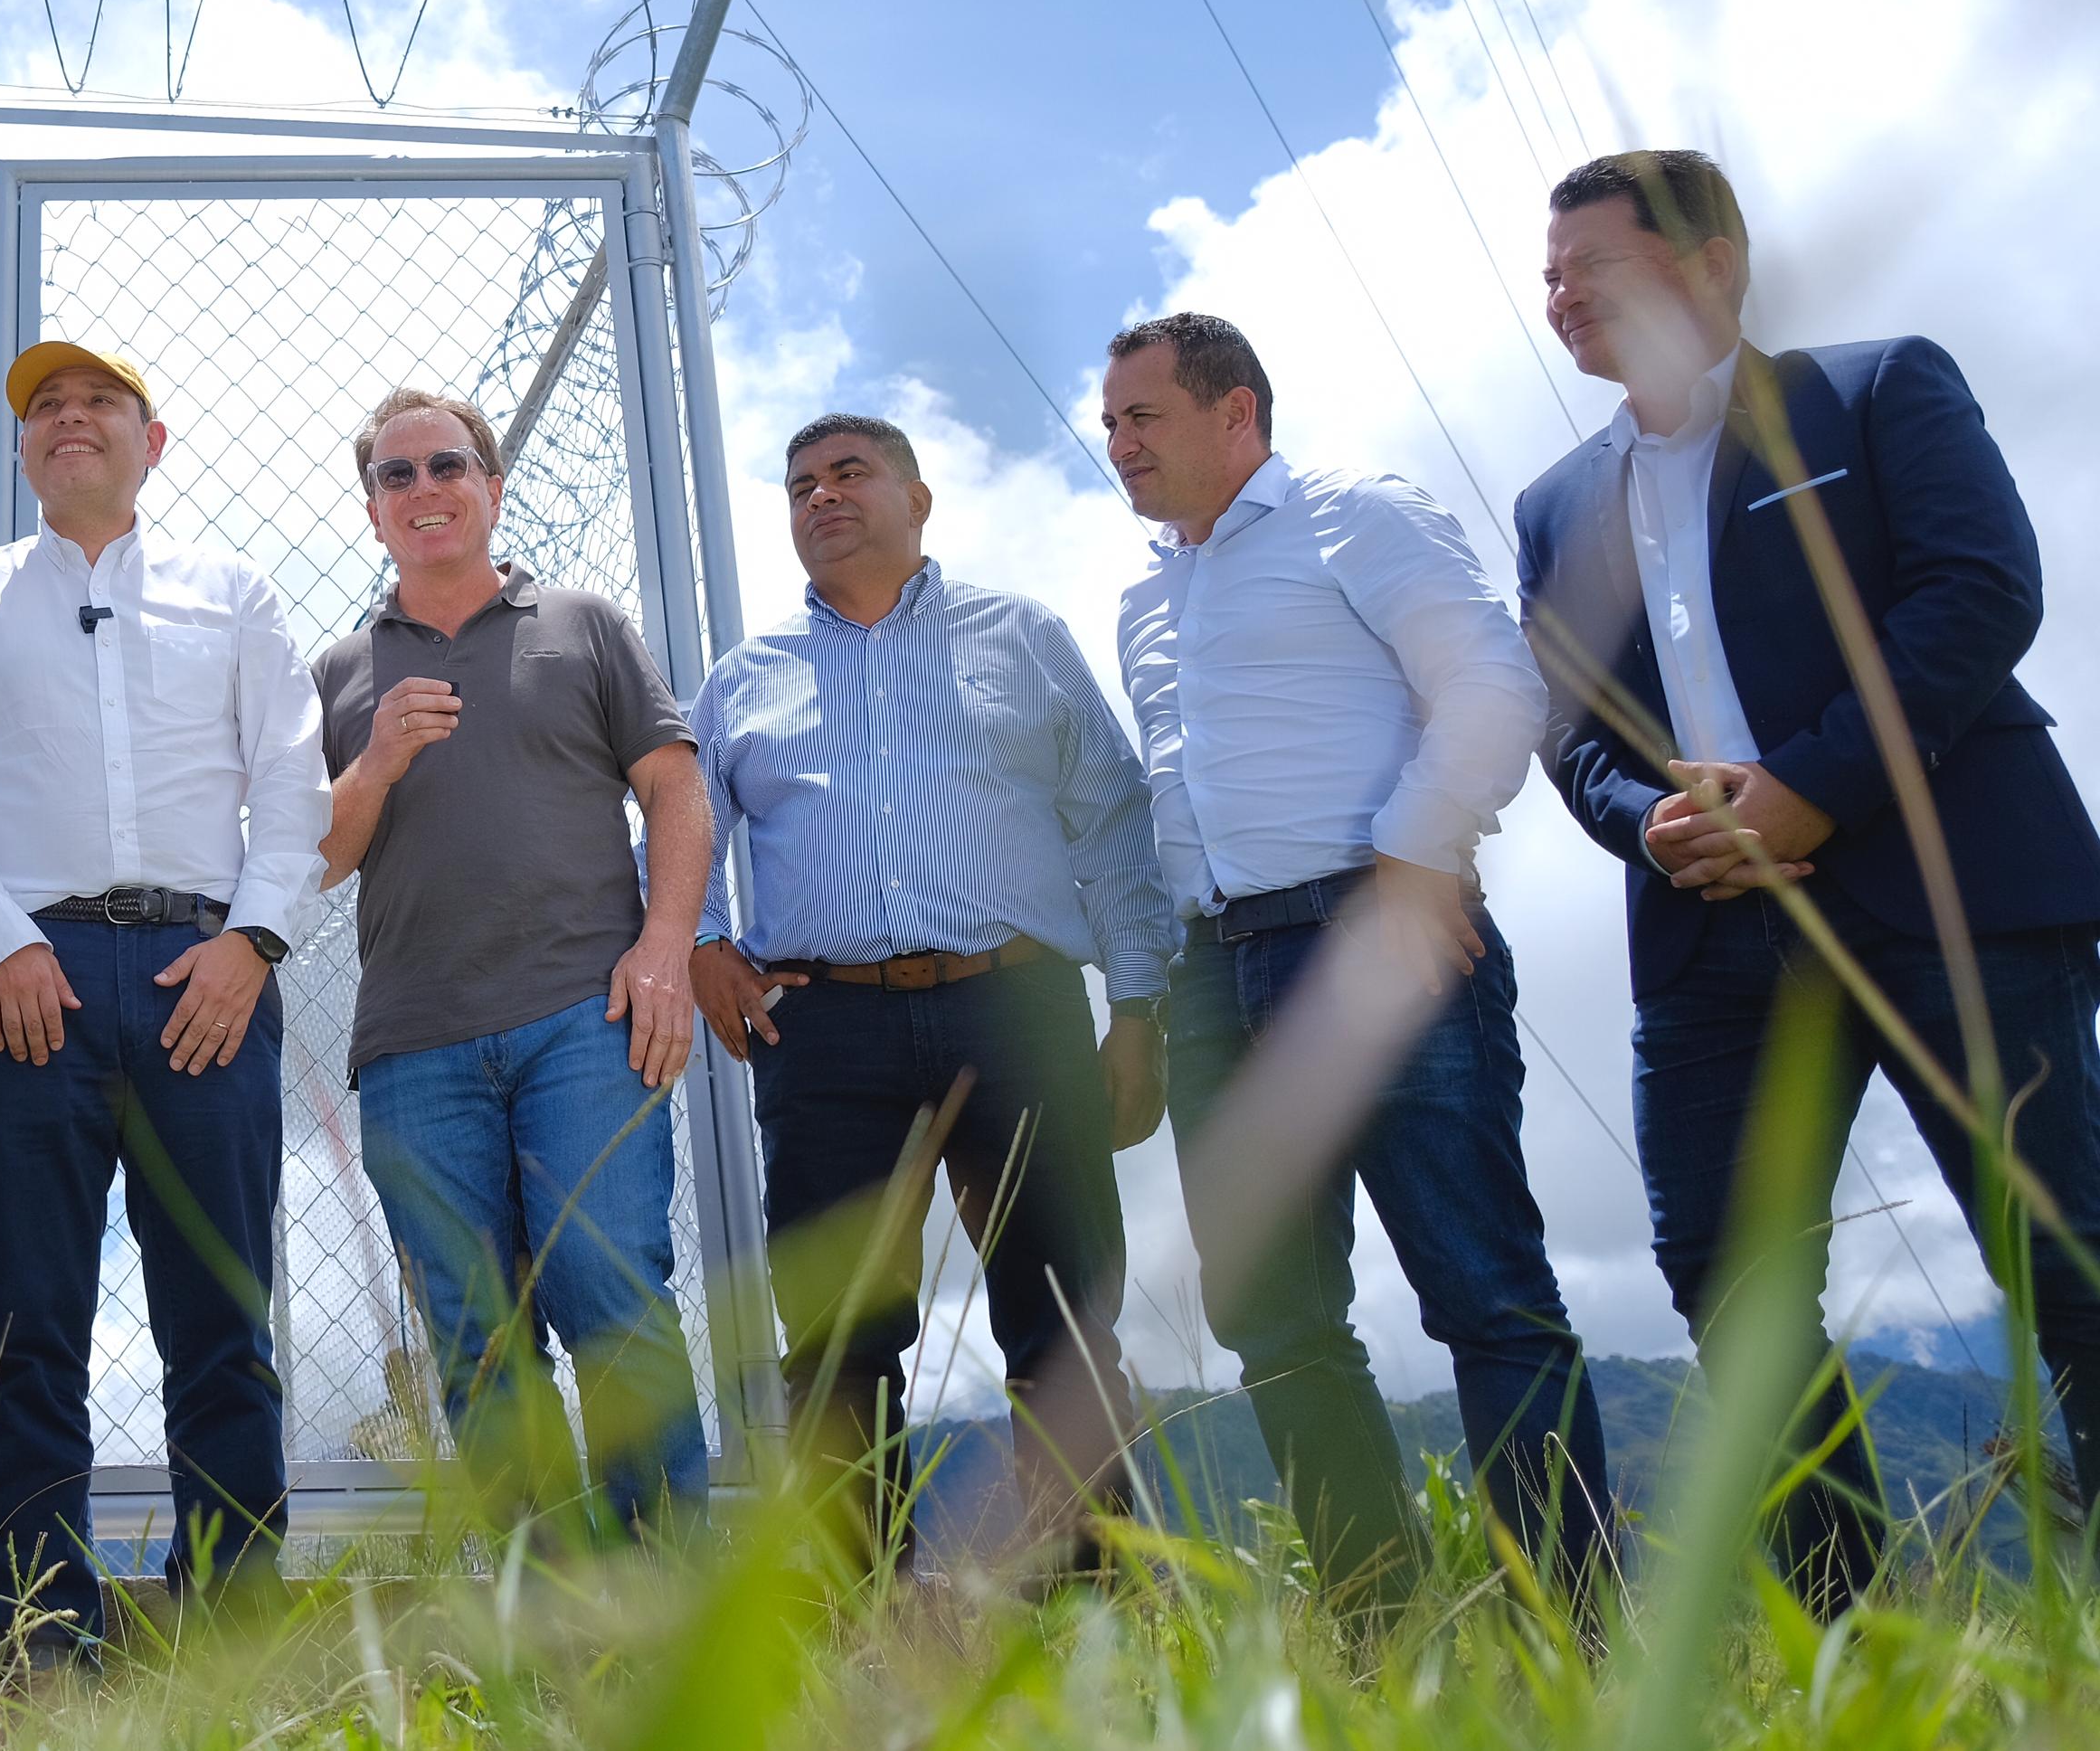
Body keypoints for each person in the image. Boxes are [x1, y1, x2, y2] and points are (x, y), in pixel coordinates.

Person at [1518, 149, 2100, 1612]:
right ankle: (1847, 1643)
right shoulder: (1554, 504)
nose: (1562, 295)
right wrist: (1650, 820)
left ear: (1714, 262)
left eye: (1595, 265)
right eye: (1551, 275)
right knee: (1728, 1282)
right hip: (1709, 929)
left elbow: (1981, 590)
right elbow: (1568, 732)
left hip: (1953, 890)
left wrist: (1808, 786)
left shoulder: (1878, 387)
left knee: (2061, 1251)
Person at [1104, 312, 1614, 1609]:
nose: (1119, 444)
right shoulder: (1143, 601)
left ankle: (1573, 1638)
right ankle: (1384, 1634)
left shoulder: (1356, 515)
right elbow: (1172, 806)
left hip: (1374, 933)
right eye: (1109, 423)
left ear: (1236, 411)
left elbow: (1495, 685)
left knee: (1482, 1289)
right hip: (1212, 971)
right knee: (1271, 1320)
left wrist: (1413, 853)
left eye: (1143, 416)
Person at [0, 342, 329, 1653]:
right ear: (25, 450)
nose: (67, 420)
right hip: (27, 980)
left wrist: (255, 941)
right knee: (28, 1320)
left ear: (154, 441)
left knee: (223, 1316)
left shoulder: (231, 594)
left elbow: (290, 776)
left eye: (98, 404)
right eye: (44, 409)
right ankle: (40, 1636)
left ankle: (233, 1634)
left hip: (207, 974)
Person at [683, 413, 1171, 1568]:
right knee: (835, 1336)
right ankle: (856, 1615)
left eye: (848, 473)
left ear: (917, 498)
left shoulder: (1022, 637)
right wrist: (702, 943)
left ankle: (1095, 1605)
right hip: (824, 1028)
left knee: (1061, 1320)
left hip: (1019, 1010)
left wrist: (1137, 1008)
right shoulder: (742, 679)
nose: (820, 496)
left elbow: (1110, 820)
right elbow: (681, 831)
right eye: (799, 485)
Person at [312, 389, 712, 1539]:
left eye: (446, 465)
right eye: (394, 476)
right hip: (413, 1046)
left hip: (584, 1019)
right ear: (372, 512)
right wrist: (376, 761)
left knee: (610, 1295)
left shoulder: (583, 624)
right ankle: (545, 1607)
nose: (423, 489)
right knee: (472, 1338)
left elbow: (674, 789)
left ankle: (670, 1594)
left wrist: (665, 951)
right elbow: (317, 857)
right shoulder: (338, 671)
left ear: (490, 486)